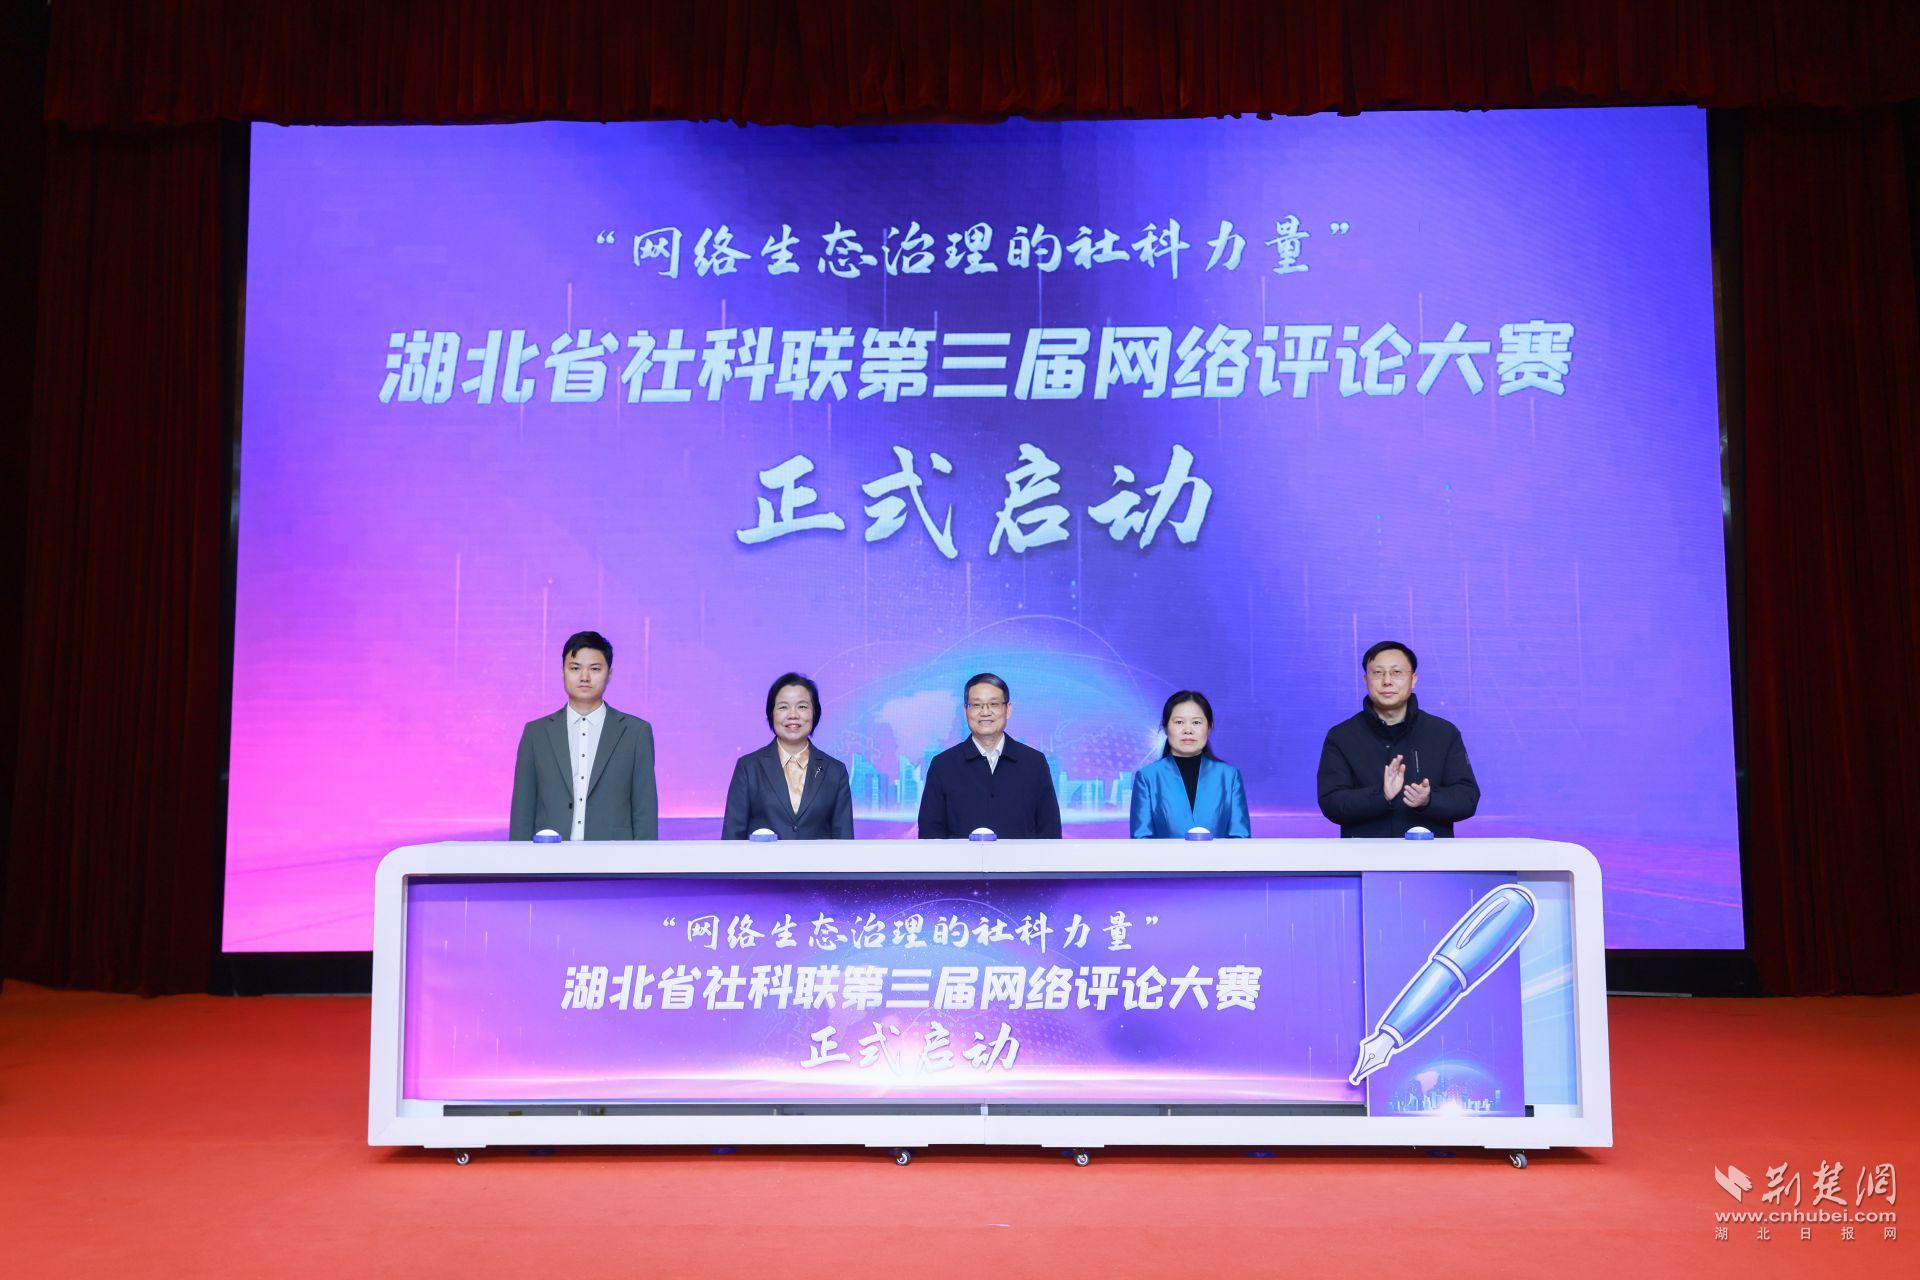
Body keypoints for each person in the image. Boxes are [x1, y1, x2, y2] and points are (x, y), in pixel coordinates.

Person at [1316, 640, 1479, 837]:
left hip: (1430, 853)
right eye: (1378, 673)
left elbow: (1467, 798)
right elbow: (1331, 803)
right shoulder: (1342, 736)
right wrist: (1381, 796)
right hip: (1364, 853)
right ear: (1366, 680)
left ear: (1413, 679)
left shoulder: (1444, 733)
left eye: (1396, 672)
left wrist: (1429, 800)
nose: (1387, 681)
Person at [509, 630, 659, 841]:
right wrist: (518, 859)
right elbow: (522, 811)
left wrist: (645, 860)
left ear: (609, 673)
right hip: (548, 855)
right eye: (575, 668)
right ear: (563, 671)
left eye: (595, 669)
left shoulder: (636, 733)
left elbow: (645, 811)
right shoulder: (536, 733)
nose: (585, 677)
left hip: (615, 856)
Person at [917, 673, 1063, 839]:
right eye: (977, 705)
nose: (985, 712)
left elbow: (1050, 831)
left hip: (1022, 858)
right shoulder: (943, 765)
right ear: (966, 711)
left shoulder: (1034, 763)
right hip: (959, 858)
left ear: (1008, 709)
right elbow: (930, 834)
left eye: (994, 704)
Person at [720, 673, 855, 840]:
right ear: (771, 713)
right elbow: (732, 838)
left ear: (814, 713)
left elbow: (844, 840)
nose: (793, 715)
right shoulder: (748, 768)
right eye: (783, 707)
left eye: (802, 707)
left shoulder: (835, 771)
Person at [1129, 691, 1252, 838]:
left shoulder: (1229, 776)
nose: (1188, 730)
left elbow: (1240, 838)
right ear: (1166, 727)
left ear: (1209, 727)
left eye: (1196, 722)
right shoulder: (1147, 777)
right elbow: (1141, 839)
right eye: (1179, 722)